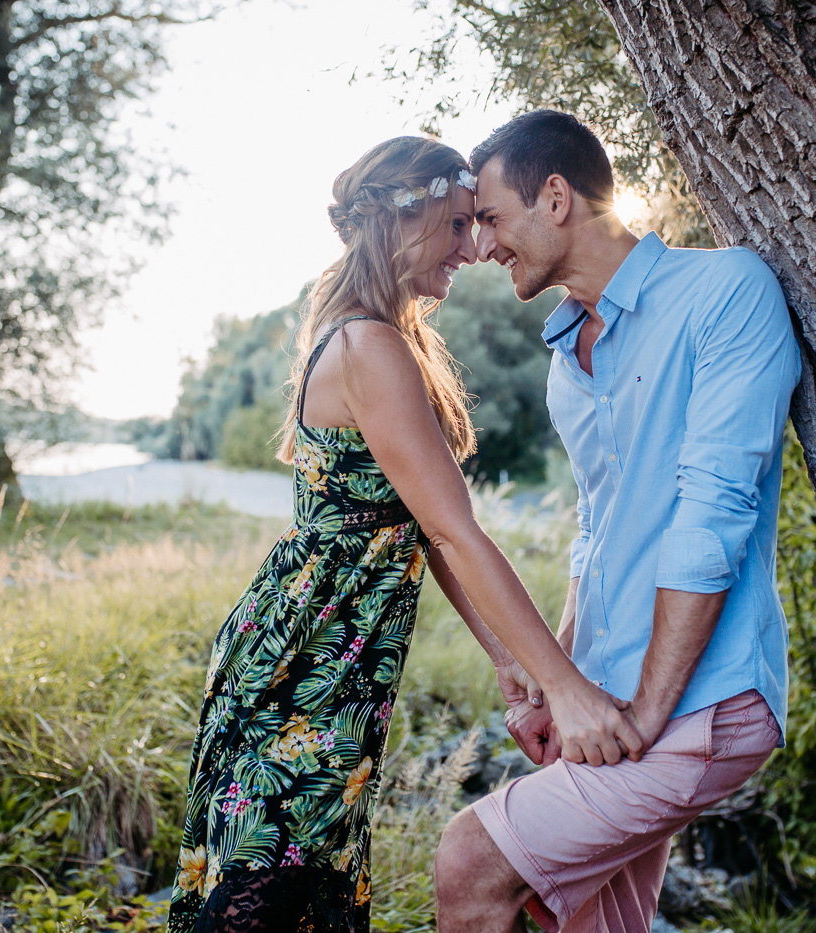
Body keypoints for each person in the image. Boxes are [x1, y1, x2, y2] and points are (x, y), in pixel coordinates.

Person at [165, 136, 644, 933]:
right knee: (265, 895)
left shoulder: (384, 337)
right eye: (458, 225)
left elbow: (421, 529)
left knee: (299, 889)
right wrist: (563, 684)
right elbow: (454, 531)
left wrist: (505, 660)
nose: (473, 248)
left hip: (325, 663)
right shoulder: (369, 344)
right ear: (404, 218)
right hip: (303, 668)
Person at [435, 110, 803, 933]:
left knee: (471, 859)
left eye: (491, 218)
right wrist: (558, 680)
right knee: (594, 922)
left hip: (703, 699)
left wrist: (644, 713)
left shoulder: (725, 291)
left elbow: (713, 517)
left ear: (556, 197)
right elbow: (596, 531)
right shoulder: (568, 362)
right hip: (614, 701)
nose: (482, 246)